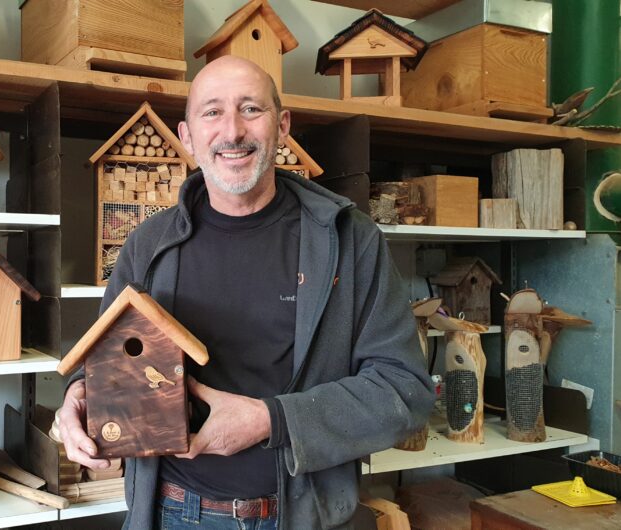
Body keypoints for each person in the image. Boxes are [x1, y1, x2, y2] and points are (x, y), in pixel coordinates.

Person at [58, 56, 435, 530]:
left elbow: (404, 392)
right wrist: (78, 397)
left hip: (303, 517)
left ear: (283, 126)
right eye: (212, 112)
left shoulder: (348, 239)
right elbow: (106, 358)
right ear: (187, 136)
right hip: (174, 513)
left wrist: (271, 420)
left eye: (251, 109)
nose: (233, 131)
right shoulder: (149, 245)